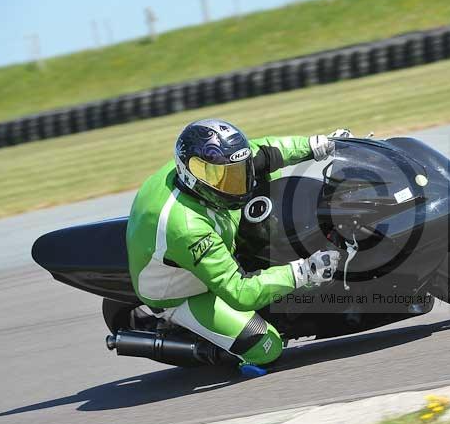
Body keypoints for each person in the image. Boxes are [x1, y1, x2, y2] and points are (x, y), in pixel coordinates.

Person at [126, 119, 348, 374]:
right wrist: (305, 271)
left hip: (209, 226)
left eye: (237, 172)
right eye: (223, 178)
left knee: (267, 178)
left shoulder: (215, 164)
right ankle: (209, 349)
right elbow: (239, 291)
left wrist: (317, 144)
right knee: (268, 347)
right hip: (187, 290)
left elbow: (265, 151)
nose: (238, 184)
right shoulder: (186, 227)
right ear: (192, 174)